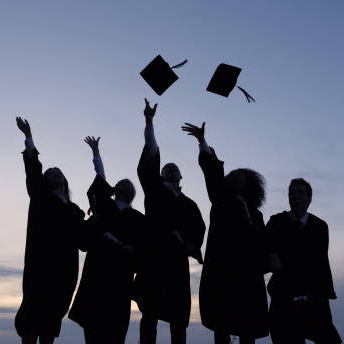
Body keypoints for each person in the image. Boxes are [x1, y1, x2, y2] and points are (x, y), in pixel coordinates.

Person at [181, 122, 269, 344]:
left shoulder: (256, 214)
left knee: (247, 329)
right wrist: (202, 142)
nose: (236, 176)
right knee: (222, 326)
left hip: (248, 275)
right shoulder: (221, 200)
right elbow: (212, 172)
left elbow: (262, 242)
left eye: (242, 175)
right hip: (224, 272)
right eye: (234, 174)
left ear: (250, 183)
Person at [136, 99, 206, 344]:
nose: (171, 169)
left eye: (175, 168)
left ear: (181, 175)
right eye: (167, 168)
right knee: (150, 317)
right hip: (154, 260)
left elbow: (199, 229)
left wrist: (190, 245)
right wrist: (149, 122)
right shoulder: (155, 190)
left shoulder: (190, 204)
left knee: (178, 321)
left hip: (177, 263)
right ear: (162, 174)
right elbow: (151, 153)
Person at [68, 136, 146, 344]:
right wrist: (96, 154)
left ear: (132, 194)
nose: (122, 185)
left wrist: (133, 251)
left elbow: (144, 251)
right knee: (92, 334)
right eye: (119, 184)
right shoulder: (104, 210)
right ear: (114, 191)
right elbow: (101, 177)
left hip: (119, 283)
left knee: (115, 334)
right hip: (96, 278)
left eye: (127, 185)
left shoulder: (139, 219)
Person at [15, 117, 85, 344]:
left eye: (58, 172)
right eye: (50, 172)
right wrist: (29, 139)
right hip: (40, 269)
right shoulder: (41, 199)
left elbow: (83, 237)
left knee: (50, 325)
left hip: (64, 273)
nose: (54, 172)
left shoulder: (74, 210)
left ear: (64, 181)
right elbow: (34, 173)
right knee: (31, 323)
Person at [266, 178, 342, 344]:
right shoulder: (276, 222)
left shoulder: (320, 226)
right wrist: (271, 254)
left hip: (313, 295)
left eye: (300, 193)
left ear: (309, 198)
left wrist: (320, 293)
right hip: (284, 296)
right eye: (292, 193)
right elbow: (265, 248)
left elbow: (321, 262)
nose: (295, 196)